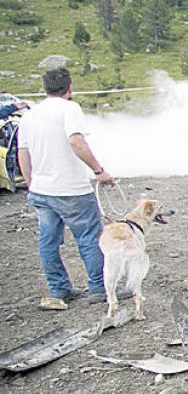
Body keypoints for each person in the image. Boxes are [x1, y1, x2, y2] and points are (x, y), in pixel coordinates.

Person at [16, 68, 122, 310]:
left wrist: (31, 183)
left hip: (42, 190)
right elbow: (76, 140)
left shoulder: (29, 116)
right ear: (70, 87)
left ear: (45, 88)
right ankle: (99, 287)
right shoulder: (70, 109)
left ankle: (59, 289)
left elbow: (23, 152)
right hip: (71, 188)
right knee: (89, 236)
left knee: (48, 241)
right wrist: (98, 170)